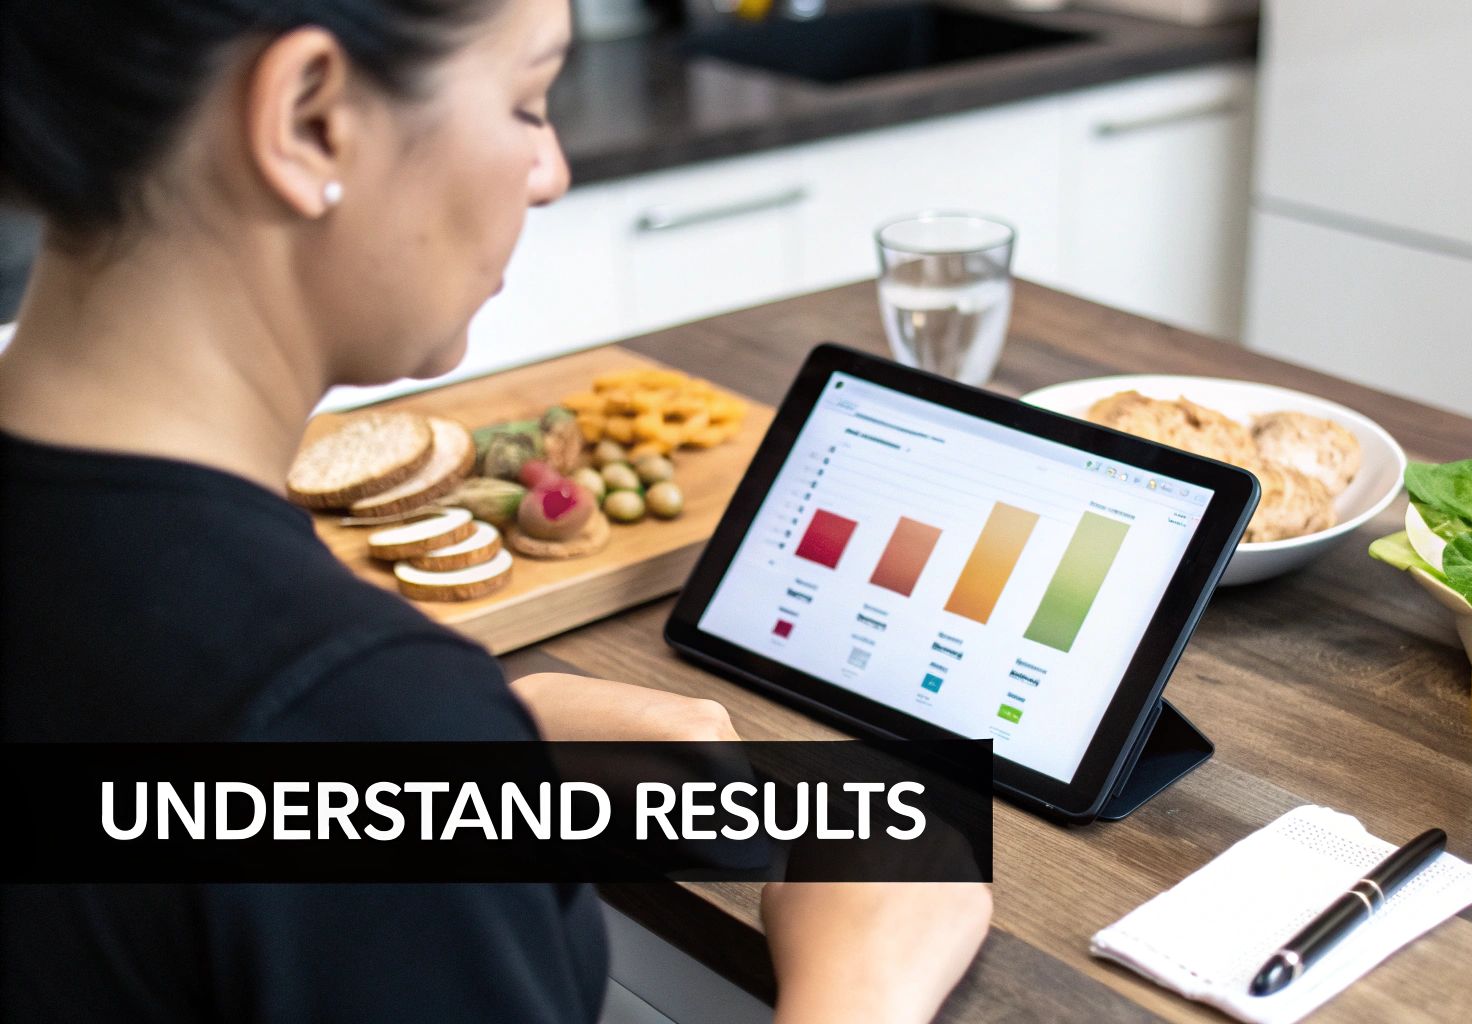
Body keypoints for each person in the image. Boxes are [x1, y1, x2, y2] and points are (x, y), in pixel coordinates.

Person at [0, 1, 991, 1020]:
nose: (552, 170)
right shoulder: (346, 709)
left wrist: (481, 734)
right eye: (525, 102)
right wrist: (859, 986)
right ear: (309, 118)